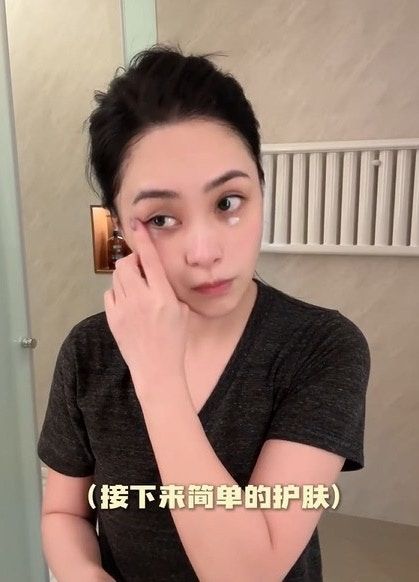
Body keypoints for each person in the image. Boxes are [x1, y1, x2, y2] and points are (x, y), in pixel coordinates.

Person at [37, 43, 371, 582]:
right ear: (118, 229)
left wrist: (157, 378)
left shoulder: (321, 347)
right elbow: (64, 512)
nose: (205, 251)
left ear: (260, 188)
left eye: (227, 203)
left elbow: (249, 573)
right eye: (161, 218)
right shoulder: (88, 351)